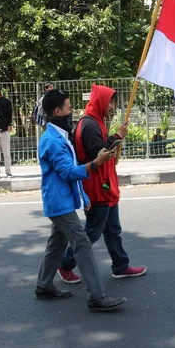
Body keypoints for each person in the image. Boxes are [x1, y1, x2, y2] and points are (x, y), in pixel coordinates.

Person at [35, 88, 126, 313]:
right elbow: (67, 172)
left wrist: (83, 196)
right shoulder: (53, 141)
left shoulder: (58, 136)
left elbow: (69, 172)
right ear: (57, 111)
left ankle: (44, 285)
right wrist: (95, 163)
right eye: (68, 108)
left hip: (63, 201)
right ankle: (97, 296)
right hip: (58, 203)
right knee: (82, 243)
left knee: (57, 243)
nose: (71, 112)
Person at [58, 84, 146, 283]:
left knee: (113, 230)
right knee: (92, 232)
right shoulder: (89, 125)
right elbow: (97, 154)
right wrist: (117, 137)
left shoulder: (96, 122)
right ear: (101, 102)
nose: (114, 106)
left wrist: (115, 138)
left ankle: (120, 265)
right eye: (111, 102)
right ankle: (65, 264)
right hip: (97, 188)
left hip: (106, 187)